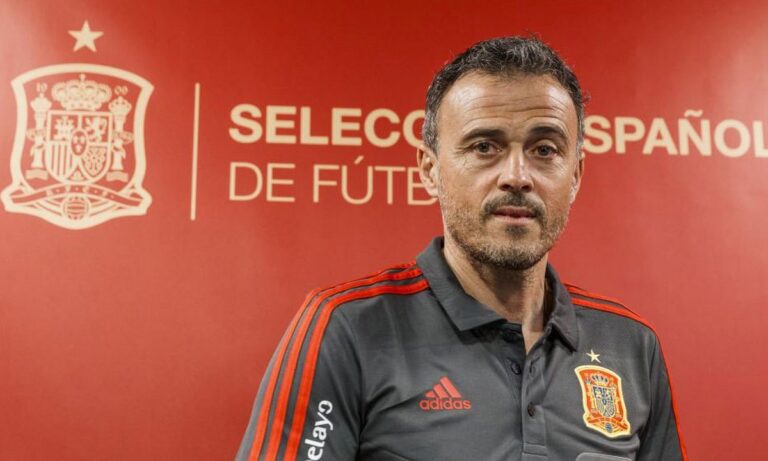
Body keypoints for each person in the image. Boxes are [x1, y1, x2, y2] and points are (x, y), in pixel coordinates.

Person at [236, 36, 687, 461]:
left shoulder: (631, 345)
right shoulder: (347, 328)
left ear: (575, 176)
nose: (517, 176)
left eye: (545, 150)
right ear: (429, 170)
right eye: (485, 147)